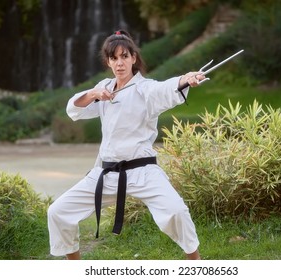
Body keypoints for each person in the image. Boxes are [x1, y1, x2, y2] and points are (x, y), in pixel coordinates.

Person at [47, 30, 205, 260]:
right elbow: (75, 109)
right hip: (106, 171)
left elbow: (165, 88)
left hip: (143, 171)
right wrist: (94, 93)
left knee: (176, 211)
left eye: (124, 56)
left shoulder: (145, 89)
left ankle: (196, 263)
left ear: (133, 58)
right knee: (58, 212)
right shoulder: (105, 88)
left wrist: (186, 78)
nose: (119, 63)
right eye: (114, 58)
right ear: (108, 62)